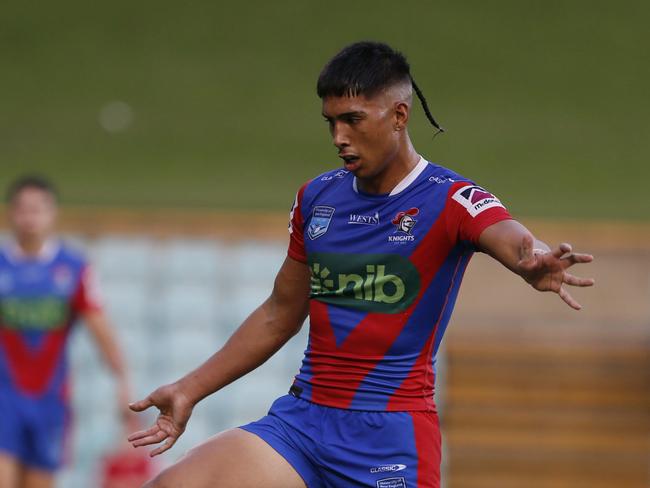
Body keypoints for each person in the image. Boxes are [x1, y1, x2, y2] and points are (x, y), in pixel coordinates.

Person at [128, 41, 594, 488]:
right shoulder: (316, 197)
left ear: (398, 116)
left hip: (388, 436)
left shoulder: (450, 198)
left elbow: (512, 238)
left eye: (352, 120)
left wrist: (533, 262)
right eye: (330, 122)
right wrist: (190, 388)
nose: (339, 137)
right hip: (302, 423)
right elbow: (279, 313)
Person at [0, 176, 131, 488]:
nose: (30, 218)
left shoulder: (73, 268)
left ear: (52, 213)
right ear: (11, 213)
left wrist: (122, 380)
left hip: (50, 399)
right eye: (23, 209)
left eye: (38, 209)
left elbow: (99, 325)